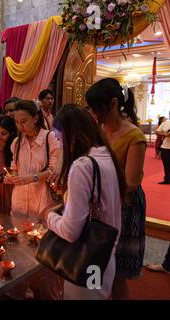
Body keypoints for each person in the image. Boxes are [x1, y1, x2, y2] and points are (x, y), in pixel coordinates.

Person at [46, 104, 125, 300]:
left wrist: (49, 217)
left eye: (59, 139)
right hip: (104, 254)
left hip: (85, 257)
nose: (60, 145)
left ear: (72, 136)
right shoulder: (106, 155)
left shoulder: (82, 166)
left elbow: (71, 232)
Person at [86, 78, 147, 300]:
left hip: (123, 206)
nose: (93, 114)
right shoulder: (98, 130)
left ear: (113, 103)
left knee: (117, 270)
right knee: (95, 261)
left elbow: (131, 182)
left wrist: (95, 185)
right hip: (98, 203)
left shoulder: (134, 136)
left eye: (96, 109)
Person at [4, 100, 60, 220]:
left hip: (43, 200)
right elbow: (15, 168)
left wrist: (30, 178)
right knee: (19, 235)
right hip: (20, 200)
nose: (20, 126)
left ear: (35, 118)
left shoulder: (49, 138)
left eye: (23, 121)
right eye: (17, 122)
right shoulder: (17, 143)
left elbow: (54, 170)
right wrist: (11, 176)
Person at [156, 117, 170, 184]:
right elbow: (157, 131)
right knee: (166, 165)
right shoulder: (165, 123)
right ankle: (167, 179)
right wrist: (166, 134)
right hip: (164, 147)